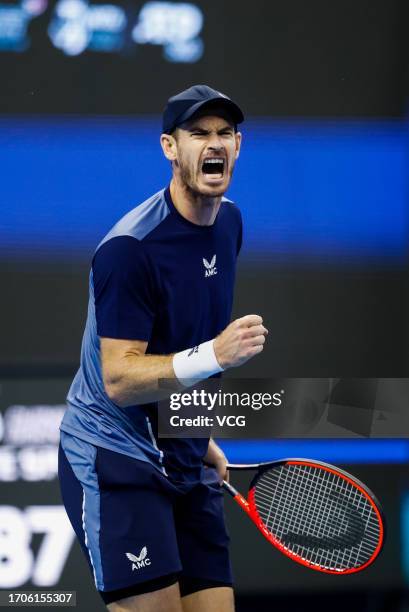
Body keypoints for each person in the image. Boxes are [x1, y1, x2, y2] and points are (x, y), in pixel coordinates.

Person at [58, 84, 268, 612]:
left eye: (224, 134)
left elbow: (182, 330)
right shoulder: (129, 251)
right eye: (197, 133)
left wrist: (198, 432)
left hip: (183, 451)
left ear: (238, 146)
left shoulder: (230, 225)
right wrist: (216, 356)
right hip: (116, 457)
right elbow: (121, 380)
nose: (212, 144)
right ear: (169, 148)